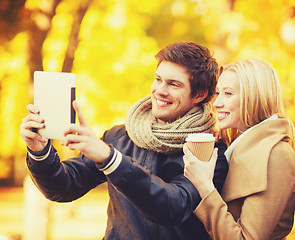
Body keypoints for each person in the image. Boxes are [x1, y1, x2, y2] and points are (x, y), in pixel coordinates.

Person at [20, 41, 229, 240]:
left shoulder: (209, 151)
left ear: (199, 94)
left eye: (173, 84)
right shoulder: (120, 137)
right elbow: (63, 187)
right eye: (158, 79)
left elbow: (172, 207)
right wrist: (40, 152)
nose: (160, 90)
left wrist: (111, 159)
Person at [183, 58, 295, 240]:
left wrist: (204, 185)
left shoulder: (276, 153)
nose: (217, 103)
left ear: (255, 96)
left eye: (228, 93)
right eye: (218, 93)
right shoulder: (236, 144)